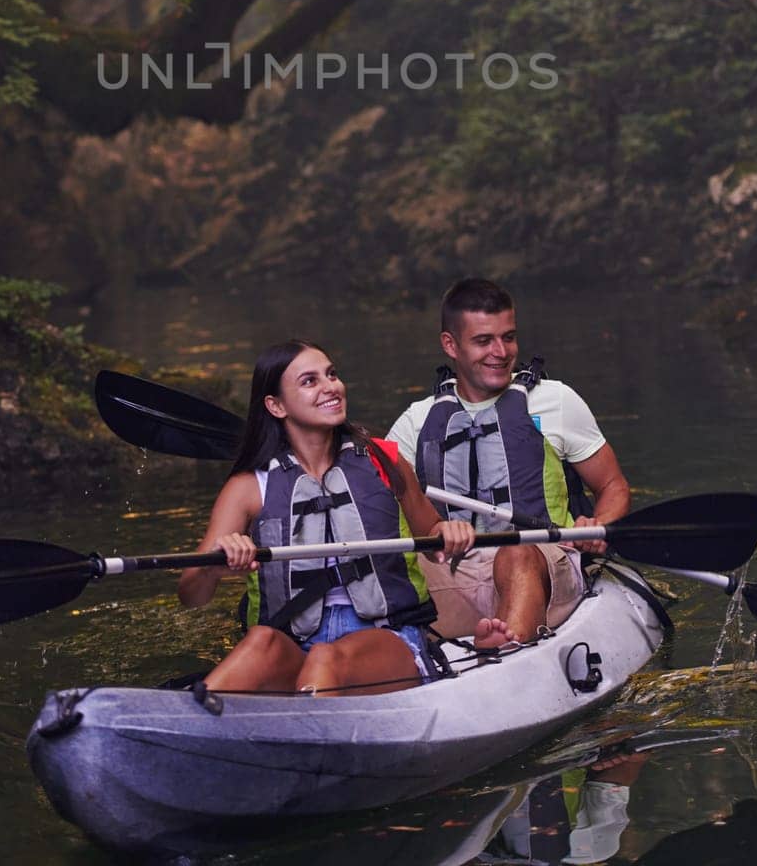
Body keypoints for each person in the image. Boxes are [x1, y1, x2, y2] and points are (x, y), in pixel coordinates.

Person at [178, 339, 475, 695]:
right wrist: (213, 565)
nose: (330, 387)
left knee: (325, 659)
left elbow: (433, 538)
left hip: (387, 638)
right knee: (260, 641)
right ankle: (186, 723)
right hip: (293, 644)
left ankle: (299, 738)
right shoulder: (248, 487)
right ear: (275, 405)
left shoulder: (384, 460)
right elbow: (190, 595)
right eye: (310, 381)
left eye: (331, 375)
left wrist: (450, 531)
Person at [386, 277, 630, 647]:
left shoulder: (556, 400)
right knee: (392, 573)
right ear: (450, 345)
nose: (500, 351)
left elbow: (612, 486)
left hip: (542, 561)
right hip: (455, 572)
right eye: (483, 340)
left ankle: (503, 650)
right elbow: (381, 511)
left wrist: (599, 526)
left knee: (514, 555)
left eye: (508, 337)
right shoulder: (414, 422)